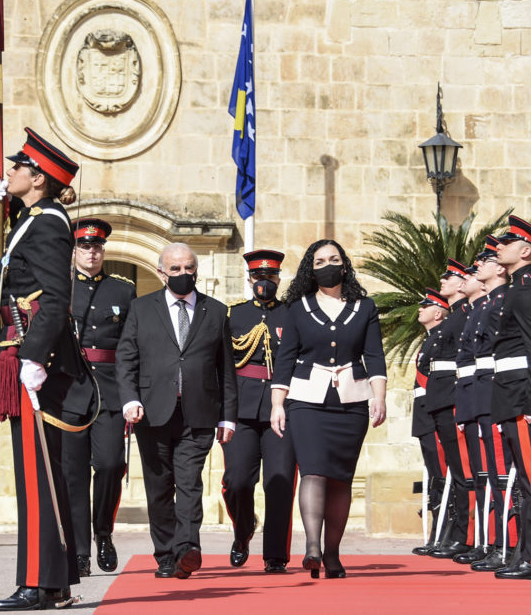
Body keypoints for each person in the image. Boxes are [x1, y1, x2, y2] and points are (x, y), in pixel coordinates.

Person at [0, 127, 84, 611]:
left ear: (39, 178)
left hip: (30, 358)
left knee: (38, 474)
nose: (13, 171)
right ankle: (54, 581)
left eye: (20, 168)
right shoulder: (35, 217)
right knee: (40, 476)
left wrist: (34, 357)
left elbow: (55, 297)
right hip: (22, 352)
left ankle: (38, 584)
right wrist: (1, 206)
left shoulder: (48, 223)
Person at [116, 242, 236, 579]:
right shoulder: (141, 309)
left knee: (189, 483)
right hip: (152, 413)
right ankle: (165, 555)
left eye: (189, 269)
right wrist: (130, 399)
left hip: (198, 412)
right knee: (159, 487)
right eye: (176, 269)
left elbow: (225, 369)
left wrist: (228, 416)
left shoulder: (215, 311)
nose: (184, 275)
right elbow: (126, 359)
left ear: (196, 271)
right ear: (161, 272)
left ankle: (187, 549)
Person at [270, 239, 387, 579]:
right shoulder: (297, 308)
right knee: (313, 471)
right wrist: (278, 403)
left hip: (351, 402)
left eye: (334, 259)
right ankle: (312, 548)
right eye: (320, 260)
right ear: (311, 268)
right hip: (306, 401)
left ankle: (333, 554)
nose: (328, 265)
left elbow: (375, 356)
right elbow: (285, 358)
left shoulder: (365, 307)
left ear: (345, 265)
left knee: (340, 479)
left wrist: (378, 397)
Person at [61, 218, 136, 578]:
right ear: (74, 250)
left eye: (97, 247)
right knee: (74, 475)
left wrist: (132, 391)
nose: (92, 252)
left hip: (109, 390)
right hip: (70, 390)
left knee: (109, 465)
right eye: (85, 247)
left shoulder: (123, 291)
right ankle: (78, 552)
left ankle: (102, 533)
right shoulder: (61, 287)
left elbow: (130, 346)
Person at [221, 250, 297, 573]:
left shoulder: (292, 316)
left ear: (278, 279)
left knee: (279, 482)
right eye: (258, 277)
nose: (264, 282)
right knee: (236, 481)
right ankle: (242, 531)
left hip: (283, 409)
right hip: (241, 408)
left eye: (270, 277)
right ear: (249, 279)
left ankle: (275, 554)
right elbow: (222, 365)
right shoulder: (233, 316)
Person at [491, 215, 531, 580]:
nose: (499, 247)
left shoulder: (529, 288)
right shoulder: (517, 287)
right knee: (524, 481)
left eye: (507, 242)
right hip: (510, 391)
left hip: (523, 394)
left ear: (526, 250)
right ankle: (524, 551)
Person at [469, 236, 519, 573]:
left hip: (497, 390)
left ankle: (510, 543)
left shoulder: (504, 300)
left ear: (499, 268)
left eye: (484, 261)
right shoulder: (486, 305)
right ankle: (499, 542)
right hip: (484, 392)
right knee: (492, 474)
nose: (478, 267)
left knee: (504, 475)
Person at [422, 259, 475, 559]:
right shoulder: (456, 316)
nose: (444, 281)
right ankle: (458, 532)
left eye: (450, 277)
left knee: (463, 470)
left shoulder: (465, 315)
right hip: (442, 399)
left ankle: (465, 535)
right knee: (456, 470)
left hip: (454, 397)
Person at [450, 262, 490, 565]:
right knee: (477, 473)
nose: (465, 278)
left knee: (495, 475)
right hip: (471, 394)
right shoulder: (471, 312)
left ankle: (498, 542)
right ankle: (484, 540)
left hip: (490, 394)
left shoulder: (482, 308)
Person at [411, 288, 451, 555]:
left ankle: (445, 533)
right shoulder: (428, 340)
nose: (419, 310)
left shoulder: (441, 338)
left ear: (438, 313)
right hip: (424, 412)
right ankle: (437, 533)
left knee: (441, 474)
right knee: (435, 474)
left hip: (433, 409)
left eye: (425, 307)